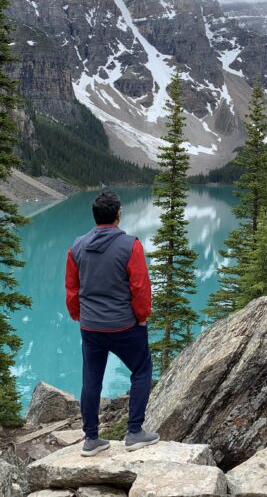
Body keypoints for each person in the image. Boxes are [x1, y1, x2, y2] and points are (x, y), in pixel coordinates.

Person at [65, 189, 159, 456]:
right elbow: (140, 288)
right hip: (124, 326)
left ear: (95, 216)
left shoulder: (77, 246)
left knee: (91, 378)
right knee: (141, 370)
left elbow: (72, 289)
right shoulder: (131, 245)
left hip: (91, 326)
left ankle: (91, 439)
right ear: (118, 215)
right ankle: (134, 432)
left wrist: (79, 316)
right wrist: (141, 318)